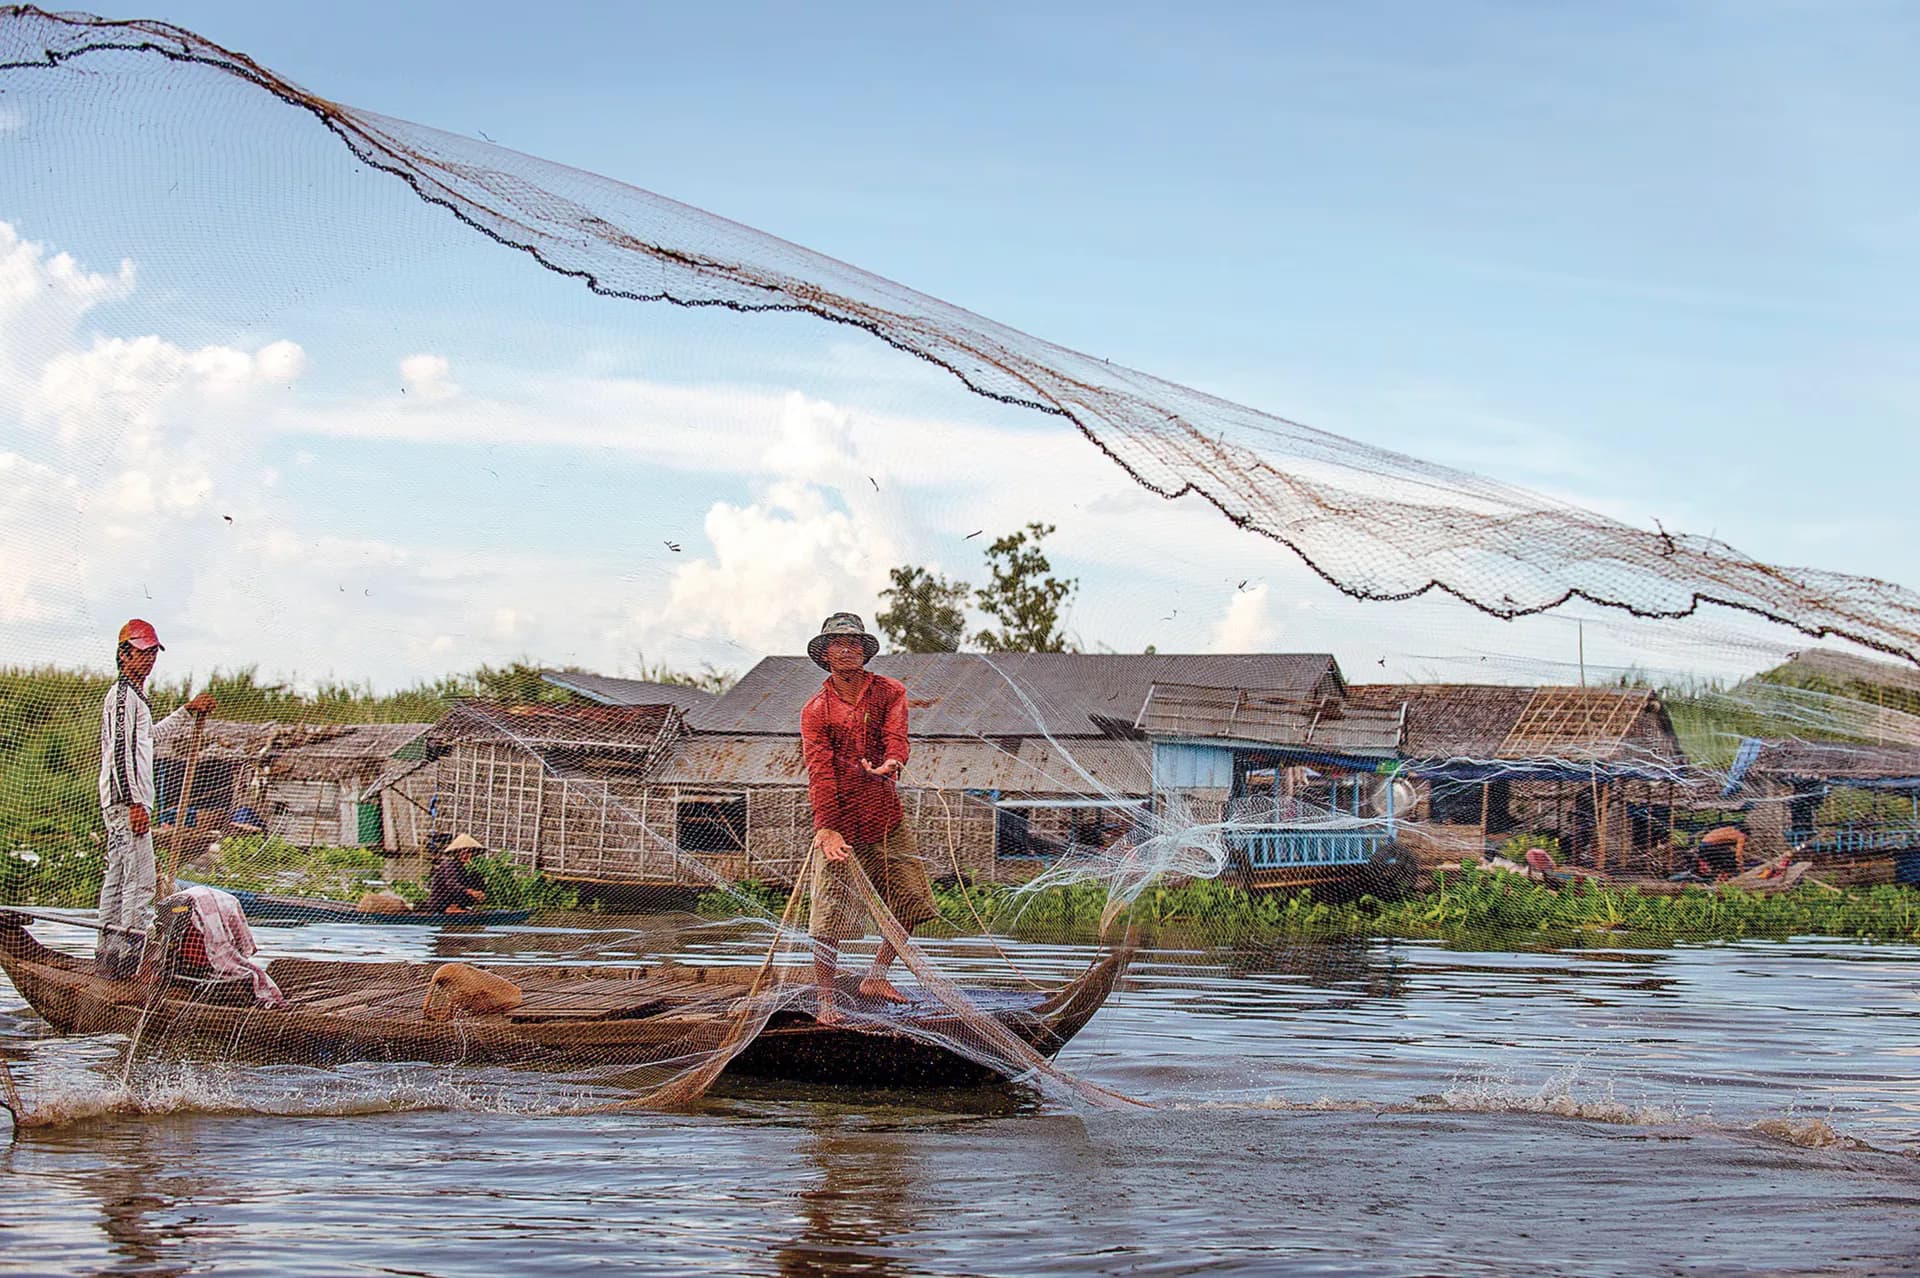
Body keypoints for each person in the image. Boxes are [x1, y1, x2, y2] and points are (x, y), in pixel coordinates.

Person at [800, 612, 938, 1025]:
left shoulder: (889, 691)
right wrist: (825, 827)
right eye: (838, 643)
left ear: (864, 651)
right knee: (828, 915)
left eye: (854, 643)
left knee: (911, 900)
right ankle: (826, 999)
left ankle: (876, 976)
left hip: (883, 815)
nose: (847, 649)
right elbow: (819, 770)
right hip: (839, 821)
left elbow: (897, 736)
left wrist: (893, 761)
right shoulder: (816, 710)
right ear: (825, 654)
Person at [96, 619, 215, 977]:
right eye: (140, 652)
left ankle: (109, 955)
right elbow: (121, 753)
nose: (148, 660)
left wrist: (185, 712)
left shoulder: (136, 698)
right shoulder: (122, 697)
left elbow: (150, 738)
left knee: (118, 878)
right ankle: (128, 959)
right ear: (124, 655)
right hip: (124, 803)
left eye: (152, 653)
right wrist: (134, 803)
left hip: (126, 802)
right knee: (141, 880)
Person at [425, 832, 489, 913]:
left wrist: (478, 893)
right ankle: (449, 907)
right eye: (463, 852)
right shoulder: (449, 864)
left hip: (457, 900)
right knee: (460, 885)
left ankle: (459, 906)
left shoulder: (464, 868)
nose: (466, 855)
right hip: (440, 903)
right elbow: (452, 883)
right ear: (457, 853)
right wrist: (471, 892)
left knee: (476, 876)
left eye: (469, 852)